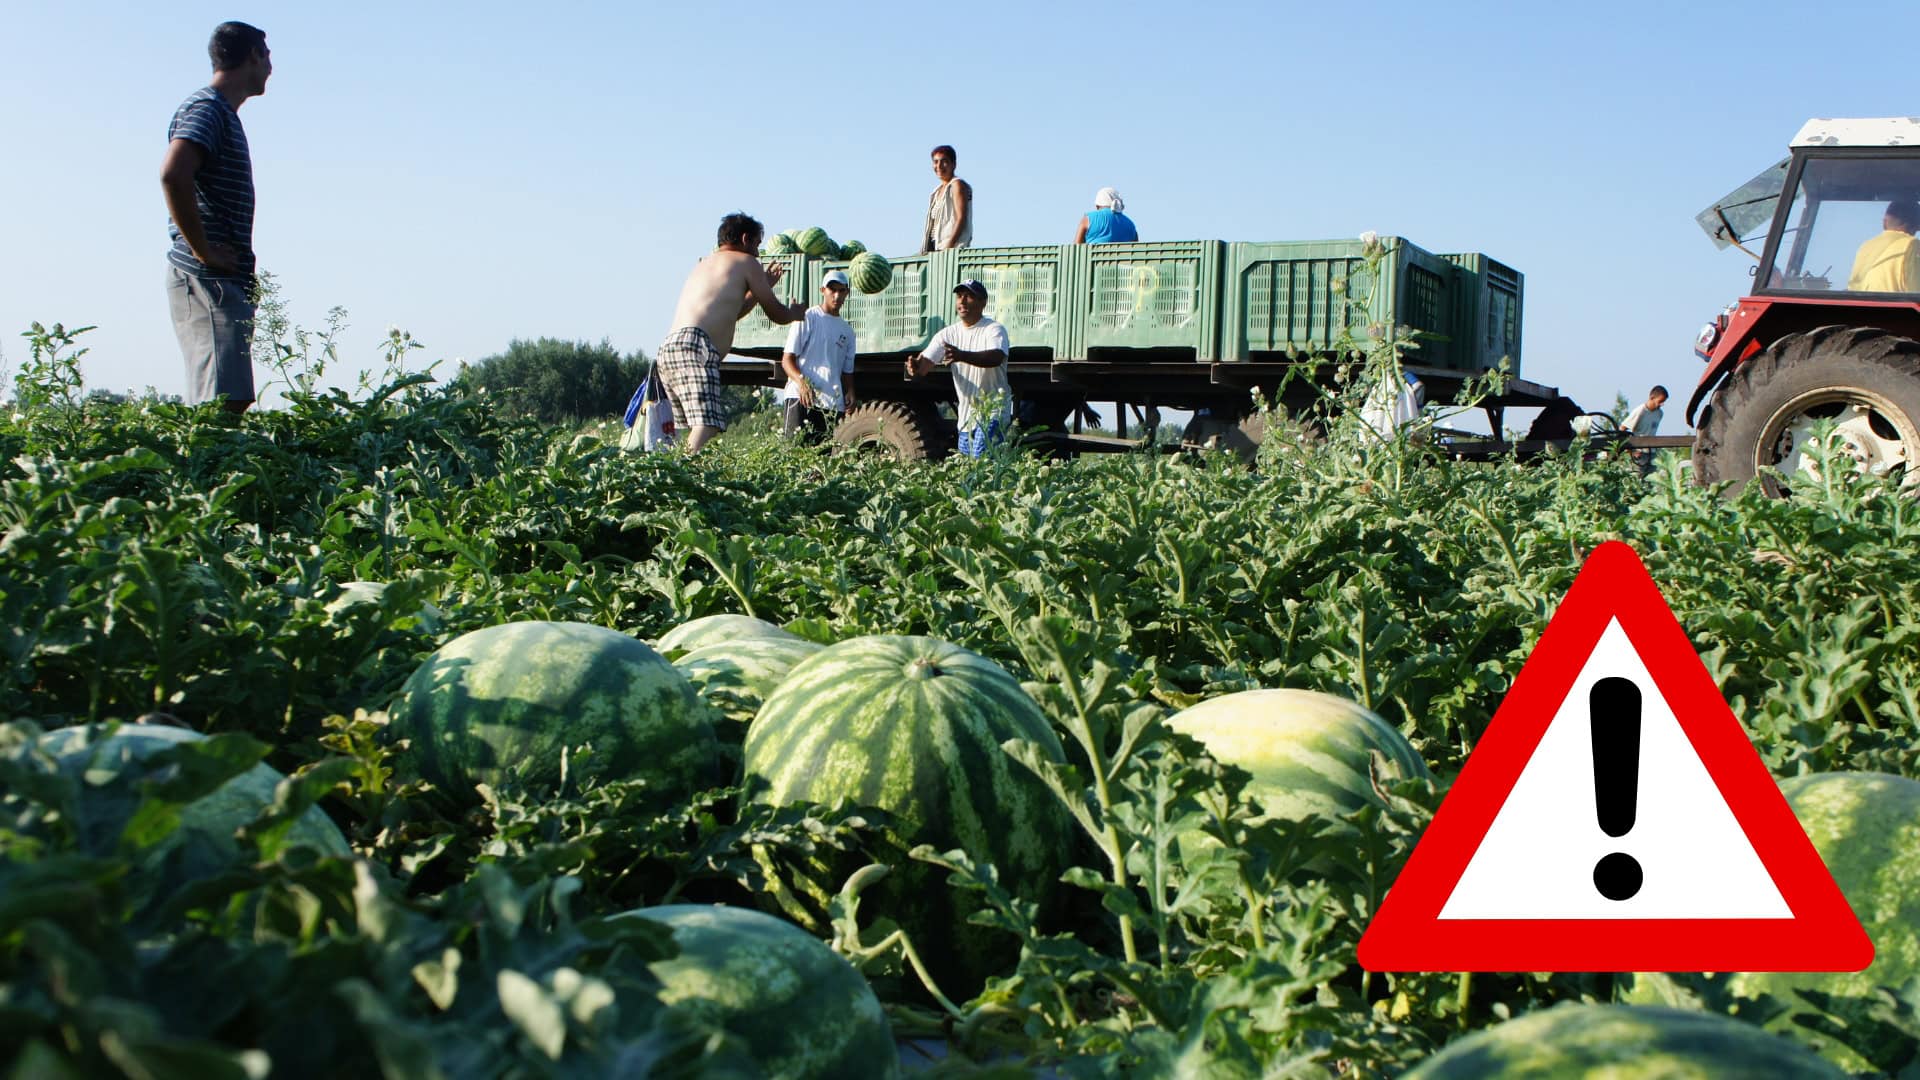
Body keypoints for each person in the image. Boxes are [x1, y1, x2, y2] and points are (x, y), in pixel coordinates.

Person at [161, 21, 273, 413]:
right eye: (268, 55)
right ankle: (203, 476)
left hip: (220, 280)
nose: (271, 66)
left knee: (228, 399)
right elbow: (173, 174)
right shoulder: (206, 108)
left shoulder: (221, 114)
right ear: (254, 55)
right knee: (220, 403)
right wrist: (204, 252)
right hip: (205, 278)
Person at [656, 212, 807, 454]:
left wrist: (761, 288)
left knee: (693, 427)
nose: (758, 252)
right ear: (745, 238)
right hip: (696, 346)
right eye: (757, 244)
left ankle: (681, 471)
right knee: (708, 424)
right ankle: (678, 476)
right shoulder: (747, 262)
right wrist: (795, 314)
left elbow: (732, 312)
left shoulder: (705, 263)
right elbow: (776, 313)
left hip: (671, 347)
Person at [905, 280, 1010, 457]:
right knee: (968, 470)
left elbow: (996, 357)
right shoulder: (947, 335)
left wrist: (962, 356)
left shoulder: (994, 329)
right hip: (966, 418)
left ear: (983, 302)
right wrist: (915, 369)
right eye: (959, 296)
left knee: (981, 464)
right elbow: (923, 368)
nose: (962, 301)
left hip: (993, 412)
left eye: (969, 296)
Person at [779, 270, 858, 443]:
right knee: (793, 457)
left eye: (841, 290)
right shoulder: (808, 317)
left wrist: (850, 391)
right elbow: (787, 360)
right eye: (832, 290)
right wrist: (802, 383)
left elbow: (846, 371)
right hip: (801, 399)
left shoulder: (848, 332)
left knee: (821, 465)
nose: (836, 295)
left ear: (847, 293)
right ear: (823, 290)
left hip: (831, 405)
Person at [1847, 201, 1920, 293]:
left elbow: (1853, 287)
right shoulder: (1913, 245)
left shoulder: (1865, 246)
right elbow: (1915, 290)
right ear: (1917, 226)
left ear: (1885, 222)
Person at [920, 145, 973, 253]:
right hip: (934, 249)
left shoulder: (957, 184)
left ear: (953, 164)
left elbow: (961, 218)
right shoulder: (936, 192)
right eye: (935, 162)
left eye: (944, 161)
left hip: (950, 250)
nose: (939, 166)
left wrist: (948, 248)